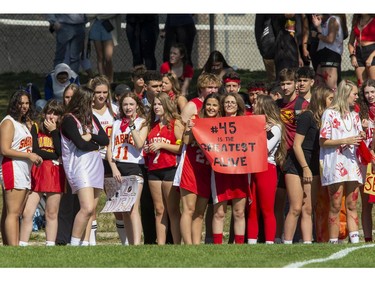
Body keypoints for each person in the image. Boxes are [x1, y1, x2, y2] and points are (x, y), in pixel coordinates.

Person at [283, 85, 334, 244]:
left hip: (313, 166)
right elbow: (296, 145)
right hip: (297, 165)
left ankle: (307, 244)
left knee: (308, 209)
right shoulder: (307, 116)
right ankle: (287, 243)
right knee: (296, 207)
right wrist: (305, 168)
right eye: (330, 98)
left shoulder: (325, 118)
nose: (333, 102)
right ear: (321, 99)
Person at [60, 86, 109, 246]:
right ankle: (74, 244)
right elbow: (80, 144)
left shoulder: (91, 118)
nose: (93, 103)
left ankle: (86, 243)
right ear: (82, 101)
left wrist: (91, 136)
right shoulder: (69, 119)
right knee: (86, 207)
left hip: (95, 165)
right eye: (90, 100)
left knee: (92, 210)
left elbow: (105, 139)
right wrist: (96, 145)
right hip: (80, 167)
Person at [319, 79, 364, 244]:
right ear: (345, 94)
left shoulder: (355, 115)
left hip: (352, 164)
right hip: (335, 164)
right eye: (355, 94)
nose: (357, 97)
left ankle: (354, 240)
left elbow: (358, 138)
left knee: (352, 204)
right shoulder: (329, 114)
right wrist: (346, 140)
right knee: (336, 204)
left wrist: (362, 137)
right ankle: (333, 240)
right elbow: (323, 141)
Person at [19, 100, 65, 246]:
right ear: (44, 113)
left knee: (51, 213)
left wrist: (54, 132)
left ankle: (50, 245)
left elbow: (61, 151)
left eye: (56, 113)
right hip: (38, 171)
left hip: (55, 173)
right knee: (27, 212)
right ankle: (22, 244)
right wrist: (53, 156)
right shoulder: (36, 127)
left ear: (60, 116)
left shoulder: (62, 130)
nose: (51, 116)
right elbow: (35, 151)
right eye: (49, 112)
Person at [0, 90, 42, 246]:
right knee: (14, 212)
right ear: (14, 104)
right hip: (11, 168)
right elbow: (4, 149)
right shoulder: (8, 122)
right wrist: (29, 156)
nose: (24, 106)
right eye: (20, 103)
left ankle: (9, 246)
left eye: (26, 103)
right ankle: (13, 248)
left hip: (23, 169)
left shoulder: (23, 123)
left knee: (12, 212)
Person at [179, 93, 221, 245]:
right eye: (209, 104)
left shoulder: (220, 123)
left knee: (200, 212)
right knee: (188, 209)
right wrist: (189, 129)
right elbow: (185, 140)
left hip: (207, 171)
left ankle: (196, 245)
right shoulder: (195, 119)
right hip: (191, 168)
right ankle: (188, 245)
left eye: (215, 105)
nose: (211, 108)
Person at [107, 92, 148, 245]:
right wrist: (113, 168)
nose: (128, 107)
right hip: (118, 167)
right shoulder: (116, 123)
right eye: (125, 104)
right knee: (123, 208)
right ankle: (129, 244)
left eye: (131, 104)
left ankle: (137, 244)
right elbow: (110, 149)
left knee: (132, 207)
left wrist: (131, 126)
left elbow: (139, 144)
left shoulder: (142, 122)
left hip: (134, 167)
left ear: (137, 105)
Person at [274, 68, 309, 243]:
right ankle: (277, 238)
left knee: (301, 204)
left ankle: (305, 238)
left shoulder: (302, 105)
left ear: (295, 84)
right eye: (282, 84)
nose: (285, 87)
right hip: (277, 158)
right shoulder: (276, 105)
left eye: (289, 83)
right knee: (278, 202)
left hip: (296, 156)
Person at [145, 92, 184, 245]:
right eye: (154, 104)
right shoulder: (152, 124)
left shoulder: (176, 122)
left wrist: (162, 145)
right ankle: (160, 245)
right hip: (154, 169)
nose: (156, 107)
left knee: (172, 209)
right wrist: (148, 148)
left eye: (159, 104)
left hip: (170, 168)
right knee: (159, 209)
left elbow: (181, 147)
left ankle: (176, 243)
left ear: (166, 104)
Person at [88, 75, 123, 246]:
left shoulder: (115, 110)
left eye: (104, 92)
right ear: (92, 93)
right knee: (92, 204)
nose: (101, 95)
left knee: (117, 203)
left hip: (112, 160)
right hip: (94, 159)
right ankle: (92, 244)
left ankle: (125, 242)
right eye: (97, 92)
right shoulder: (87, 111)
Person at [210, 92, 250, 245]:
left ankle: (239, 246)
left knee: (239, 212)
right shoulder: (215, 123)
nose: (229, 105)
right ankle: (217, 247)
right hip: (220, 172)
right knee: (219, 212)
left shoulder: (246, 123)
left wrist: (264, 128)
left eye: (233, 102)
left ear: (238, 105)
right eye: (226, 102)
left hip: (240, 171)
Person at [247, 95, 286, 244]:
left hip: (266, 168)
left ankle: (269, 242)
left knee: (267, 209)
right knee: (252, 208)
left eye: (256, 103)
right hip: (252, 168)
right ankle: (251, 242)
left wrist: (260, 131)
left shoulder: (275, 127)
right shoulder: (254, 123)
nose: (253, 105)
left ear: (264, 106)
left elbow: (264, 149)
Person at [357, 79, 375, 242]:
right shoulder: (360, 112)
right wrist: (362, 129)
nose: (370, 96)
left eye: (372, 92)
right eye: (367, 92)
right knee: (366, 202)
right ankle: (368, 238)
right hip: (365, 162)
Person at [311, 14, 344, 90]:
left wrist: (317, 35)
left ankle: (335, 101)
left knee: (331, 88)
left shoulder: (333, 20)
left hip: (330, 54)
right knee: (319, 86)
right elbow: (323, 36)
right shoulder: (325, 21)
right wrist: (318, 27)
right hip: (323, 53)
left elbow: (330, 39)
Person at [86, 14, 122, 83]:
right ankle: (102, 81)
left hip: (109, 26)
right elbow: (88, 15)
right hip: (96, 25)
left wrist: (98, 15)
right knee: (100, 56)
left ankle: (110, 81)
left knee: (108, 58)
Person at [348, 14, 375, 87]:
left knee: (373, 84)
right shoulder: (356, 21)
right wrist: (352, 56)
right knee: (361, 85)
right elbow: (350, 43)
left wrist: (371, 57)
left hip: (372, 51)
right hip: (359, 52)